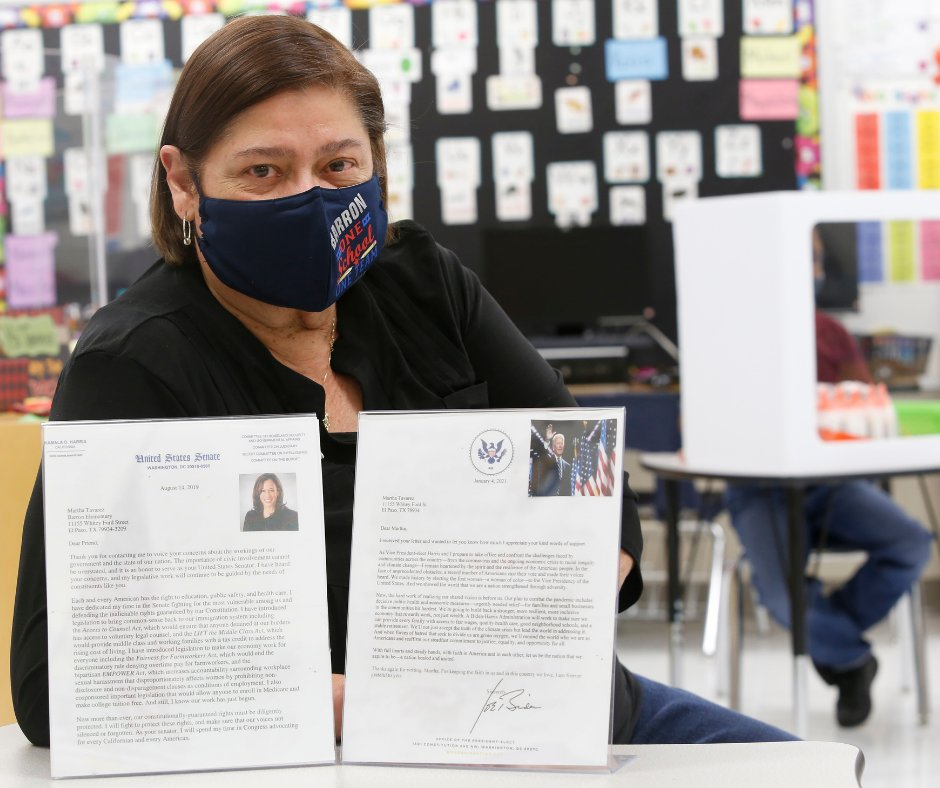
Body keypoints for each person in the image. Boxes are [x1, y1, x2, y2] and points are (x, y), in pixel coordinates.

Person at [11, 15, 794, 749]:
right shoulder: (133, 366)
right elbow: (56, 687)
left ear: (375, 164)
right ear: (184, 184)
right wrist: (379, 700)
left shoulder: (423, 285)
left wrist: (562, 607)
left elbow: (586, 474)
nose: (310, 199)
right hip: (331, 755)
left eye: (338, 165)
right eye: (263, 171)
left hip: (555, 715)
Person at [725, 239, 934, 728]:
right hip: (759, 488)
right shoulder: (736, 336)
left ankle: (830, 639)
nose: (812, 270)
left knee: (910, 543)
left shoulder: (833, 334)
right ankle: (851, 661)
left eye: (816, 260)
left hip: (830, 483)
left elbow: (861, 405)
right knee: (782, 599)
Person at [529, 424, 572, 496]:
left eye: (562, 443)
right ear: (553, 446)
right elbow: (543, 452)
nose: (560, 446)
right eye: (558, 443)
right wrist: (547, 439)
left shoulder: (568, 466)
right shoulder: (547, 460)